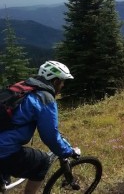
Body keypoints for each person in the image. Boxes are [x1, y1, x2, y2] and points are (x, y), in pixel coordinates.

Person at [0, 61, 81, 194]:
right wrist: (69, 151)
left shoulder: (23, 86)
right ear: (55, 81)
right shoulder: (45, 98)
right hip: (4, 149)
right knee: (42, 162)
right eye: (62, 82)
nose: (63, 85)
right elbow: (50, 136)